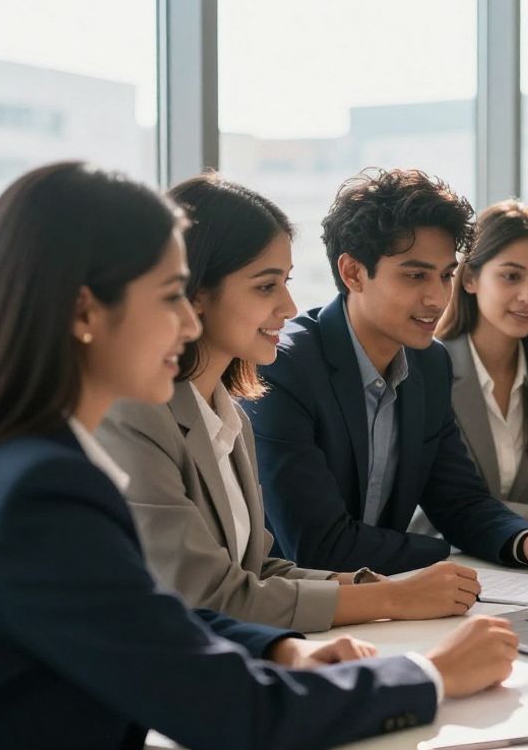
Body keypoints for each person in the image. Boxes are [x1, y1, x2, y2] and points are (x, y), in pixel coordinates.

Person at [0, 162, 520, 749]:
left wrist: (277, 646)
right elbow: (234, 710)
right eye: (172, 297)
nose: (189, 320)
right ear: (86, 313)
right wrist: (430, 674)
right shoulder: (44, 493)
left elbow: (152, 616)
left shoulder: (39, 464)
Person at [98, 174, 483, 633]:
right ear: (196, 291)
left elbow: (260, 567)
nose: (288, 305)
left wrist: (371, 585)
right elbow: (208, 594)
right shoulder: (134, 415)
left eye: (286, 282)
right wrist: (393, 597)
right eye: (266, 287)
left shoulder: (230, 416)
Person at [245, 168, 528, 577]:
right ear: (353, 273)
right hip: (294, 612)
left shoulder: (430, 364)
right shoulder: (286, 367)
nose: (438, 298)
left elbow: (459, 501)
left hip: (386, 601)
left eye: (445, 276)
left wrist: (527, 542)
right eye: (415, 275)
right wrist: (442, 552)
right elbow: (318, 547)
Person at [409, 199, 528, 535]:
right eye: (511, 276)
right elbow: (426, 506)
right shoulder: (424, 366)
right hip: (444, 561)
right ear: (469, 278)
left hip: (527, 568)